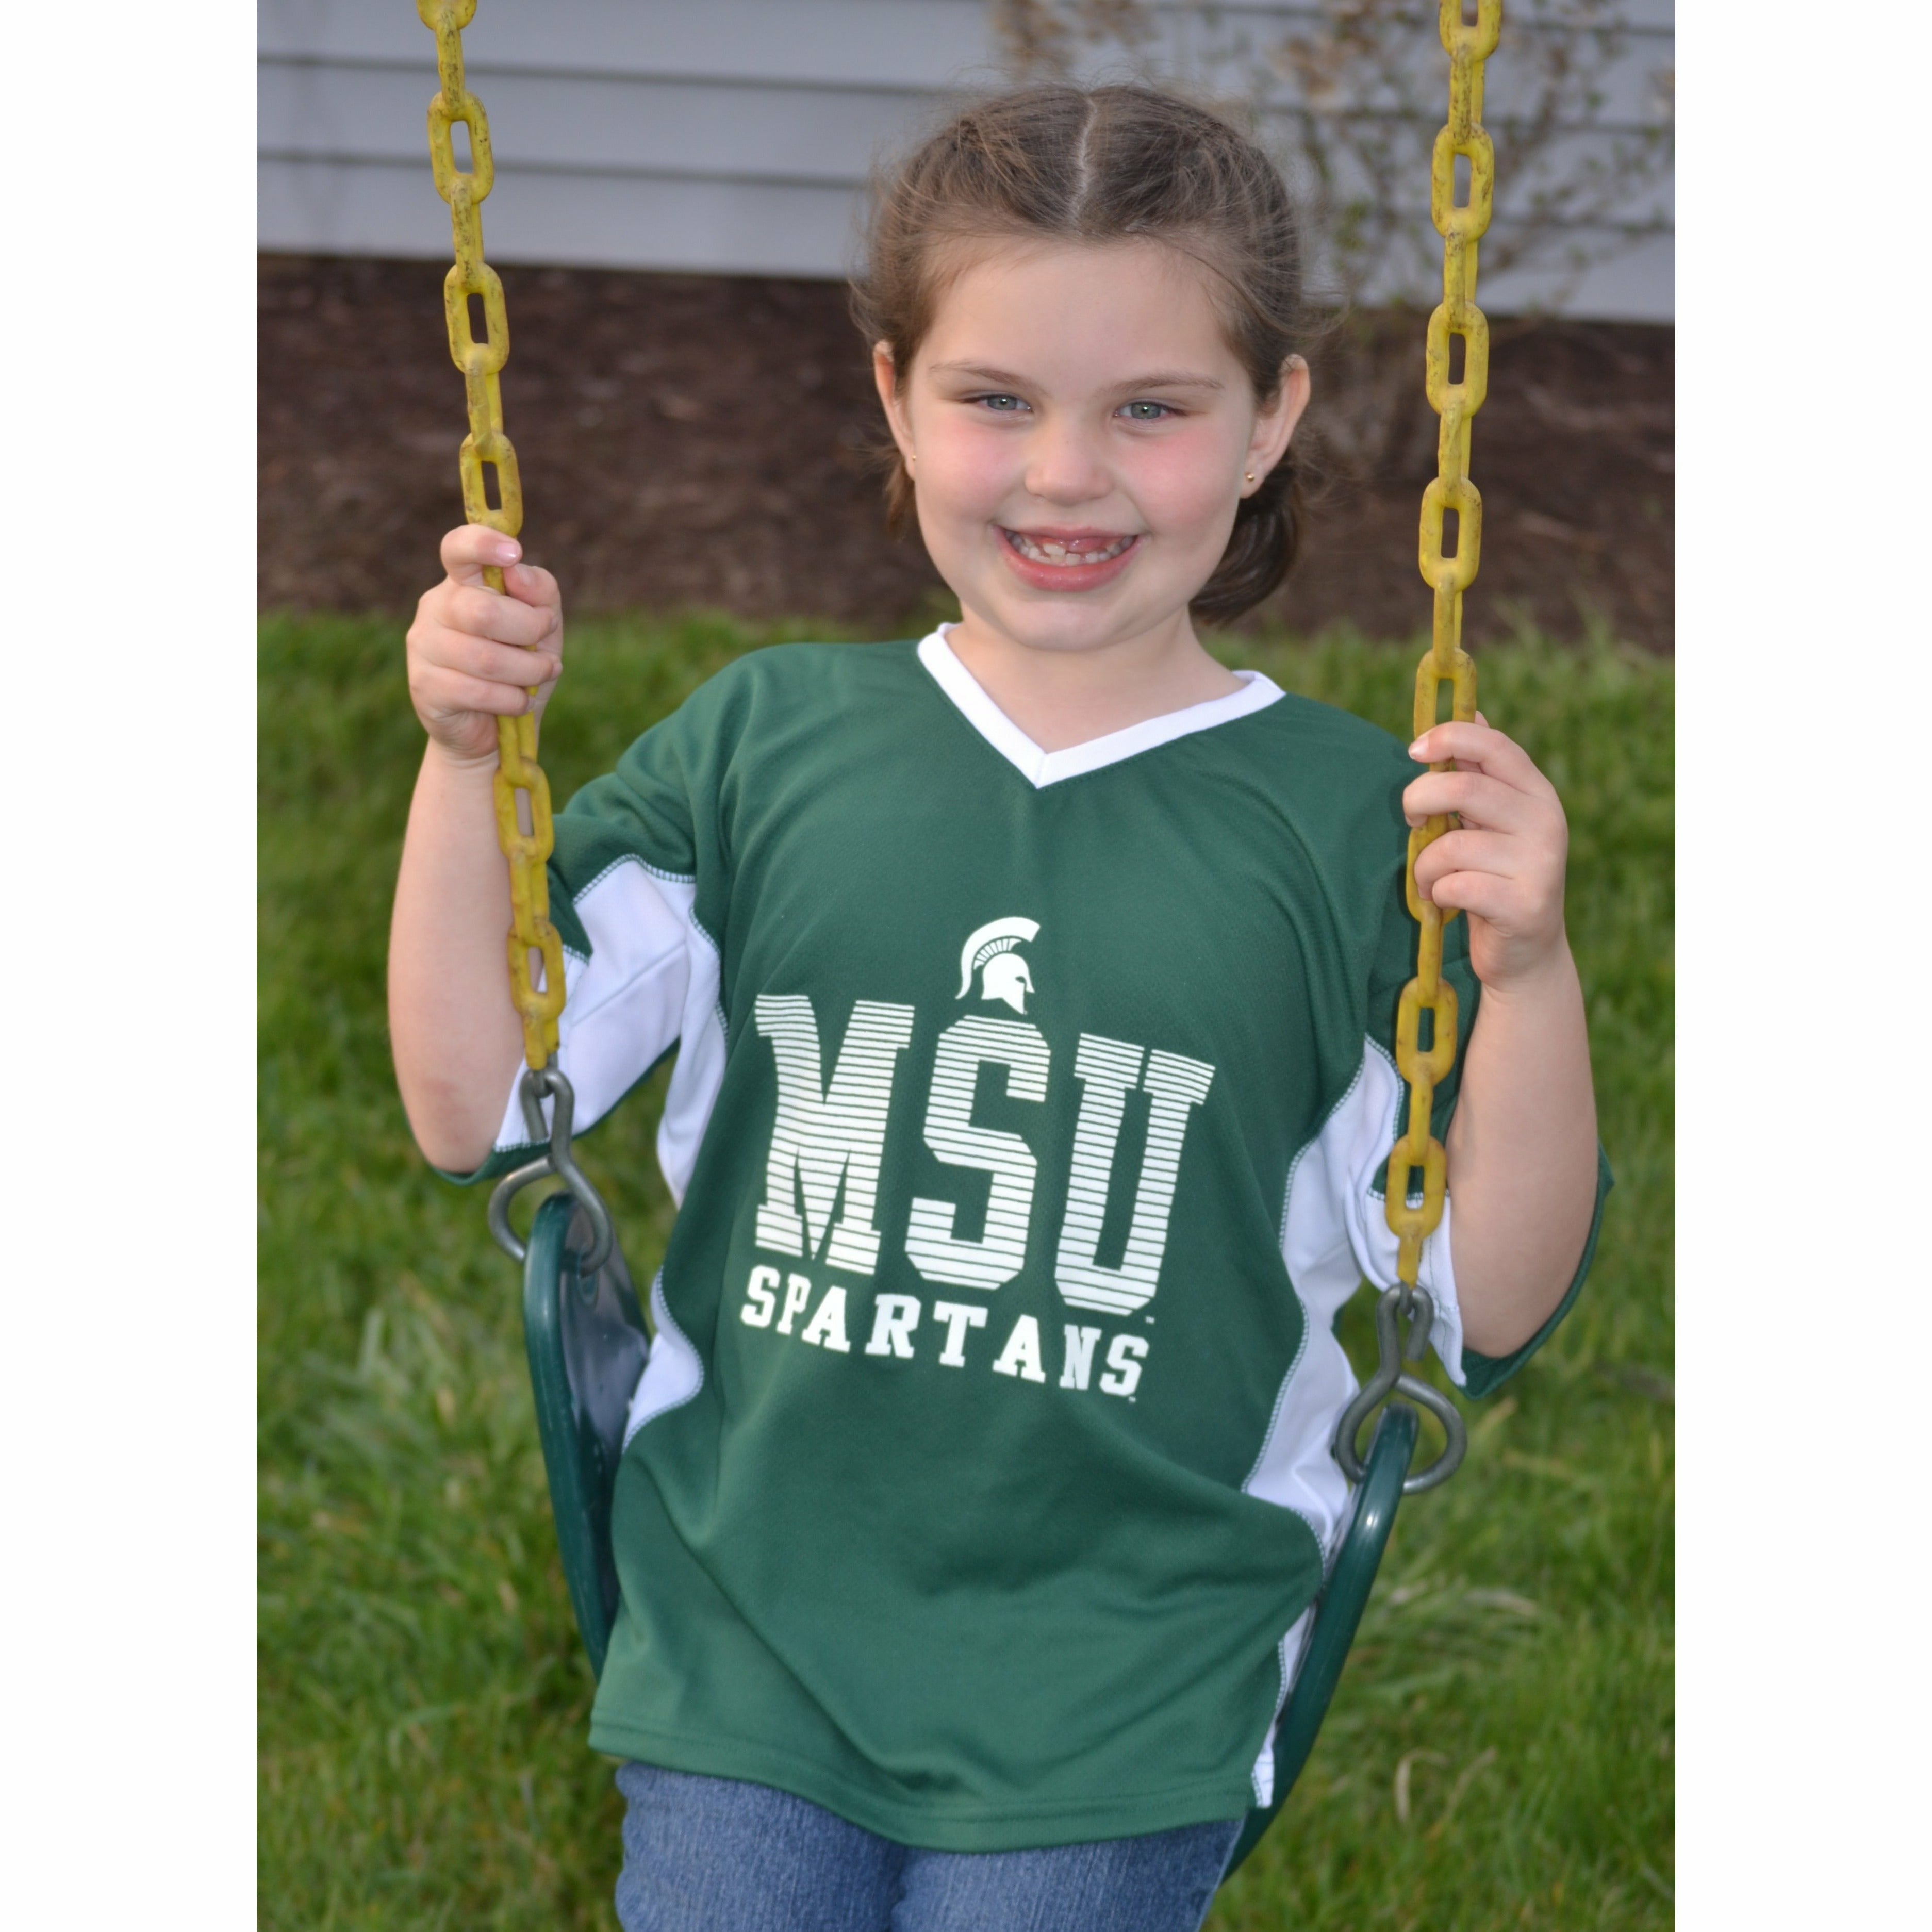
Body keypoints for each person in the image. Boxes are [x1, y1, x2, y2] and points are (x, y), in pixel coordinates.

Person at [388, 83, 1604, 1932]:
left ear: (1268, 417)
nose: (1064, 476)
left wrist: (1524, 978)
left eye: (1150, 408)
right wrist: (459, 760)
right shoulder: (762, 745)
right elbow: (476, 1099)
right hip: (751, 1637)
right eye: (995, 399)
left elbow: (1482, 1291)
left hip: (1123, 1670)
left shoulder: (1358, 830)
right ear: (893, 396)